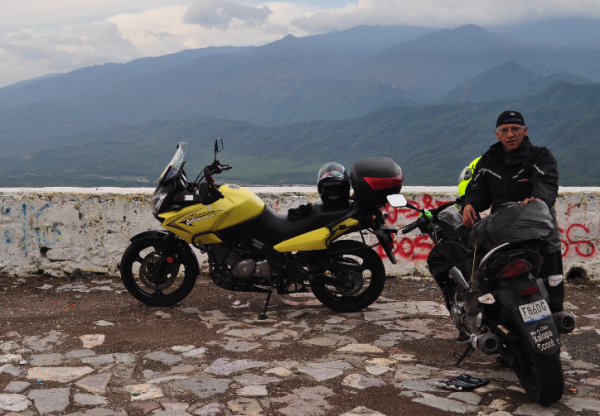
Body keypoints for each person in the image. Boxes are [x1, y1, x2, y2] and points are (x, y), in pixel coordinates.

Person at [461, 110, 564, 313]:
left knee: (550, 294)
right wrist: (469, 204)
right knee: (501, 292)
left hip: (540, 236)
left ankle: (554, 327)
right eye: (505, 130)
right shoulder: (488, 161)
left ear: (525, 131)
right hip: (502, 236)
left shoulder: (541, 156)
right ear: (497, 134)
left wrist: (537, 201)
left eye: (515, 129)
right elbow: (479, 190)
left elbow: (546, 184)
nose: (510, 134)